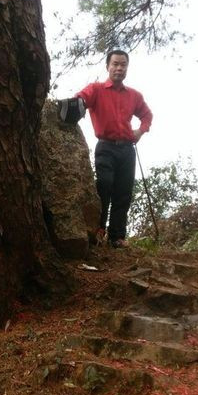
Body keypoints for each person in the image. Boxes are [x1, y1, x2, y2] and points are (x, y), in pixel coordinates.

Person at [76, 49, 153, 247]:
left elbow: (147, 115)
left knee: (123, 192)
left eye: (123, 64)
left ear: (127, 67)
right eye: (115, 64)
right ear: (107, 66)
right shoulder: (96, 89)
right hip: (106, 147)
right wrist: (75, 107)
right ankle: (98, 230)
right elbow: (80, 99)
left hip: (127, 149)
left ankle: (117, 237)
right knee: (104, 184)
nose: (119, 68)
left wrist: (140, 131)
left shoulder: (134, 96)